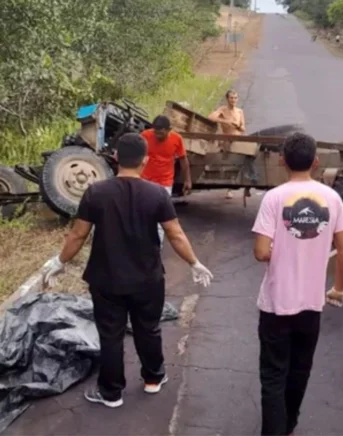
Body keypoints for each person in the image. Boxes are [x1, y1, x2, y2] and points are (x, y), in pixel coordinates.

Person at [42, 133, 214, 408]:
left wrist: (59, 263)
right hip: (147, 278)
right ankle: (154, 379)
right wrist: (194, 263)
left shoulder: (95, 192)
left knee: (111, 334)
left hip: (107, 279)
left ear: (116, 157)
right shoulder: (157, 193)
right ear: (145, 160)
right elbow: (175, 234)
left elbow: (78, 235)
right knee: (149, 329)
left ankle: (111, 393)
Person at [251, 132, 343, 436]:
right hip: (311, 305)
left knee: (273, 373)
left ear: (282, 160)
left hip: (276, 304)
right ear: (316, 162)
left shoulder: (274, 198)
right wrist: (338, 287)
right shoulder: (332, 198)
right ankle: (289, 425)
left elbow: (260, 252)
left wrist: (279, 251)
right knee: (299, 370)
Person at [141, 115, 193, 243]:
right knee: (143, 213)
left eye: (161, 133)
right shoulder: (144, 136)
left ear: (169, 130)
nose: (158, 136)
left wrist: (187, 180)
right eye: (156, 132)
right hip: (145, 181)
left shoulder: (177, 139)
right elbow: (137, 157)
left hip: (165, 183)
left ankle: (157, 246)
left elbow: (183, 160)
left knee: (160, 216)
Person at [208, 89, 248, 200]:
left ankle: (246, 188)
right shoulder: (223, 109)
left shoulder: (240, 111)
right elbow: (211, 117)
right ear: (227, 99)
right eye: (231, 98)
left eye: (235, 98)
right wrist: (226, 121)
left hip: (238, 139)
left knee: (241, 162)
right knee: (229, 162)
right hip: (226, 139)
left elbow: (243, 127)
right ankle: (229, 189)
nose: (233, 100)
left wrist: (238, 126)